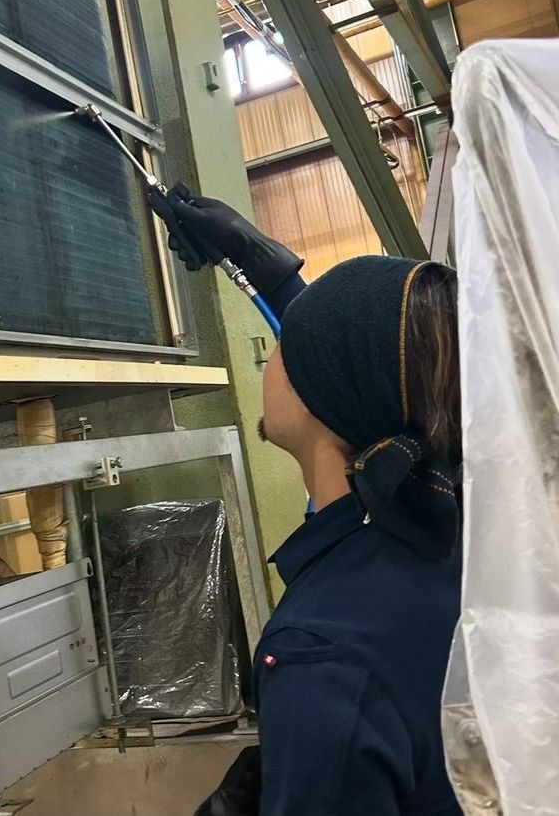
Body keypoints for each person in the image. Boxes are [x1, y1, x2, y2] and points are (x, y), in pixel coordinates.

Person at [165, 185, 463, 816]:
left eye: (284, 349)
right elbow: (366, 367)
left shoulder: (321, 654)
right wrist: (265, 267)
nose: (269, 360)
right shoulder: (459, 526)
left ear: (324, 401)